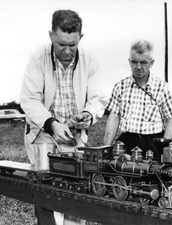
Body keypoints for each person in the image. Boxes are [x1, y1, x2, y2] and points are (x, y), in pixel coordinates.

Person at [20, 9, 107, 225]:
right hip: (43, 137)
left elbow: (99, 98)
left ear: (81, 38)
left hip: (75, 139)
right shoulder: (37, 59)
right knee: (46, 194)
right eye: (61, 44)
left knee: (77, 194)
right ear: (51, 35)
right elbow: (29, 100)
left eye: (73, 45)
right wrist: (52, 125)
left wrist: (88, 115)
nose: (67, 50)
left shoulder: (91, 61)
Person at [104, 39, 172, 158]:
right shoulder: (120, 87)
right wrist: (106, 148)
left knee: (153, 174)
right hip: (126, 142)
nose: (138, 67)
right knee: (121, 173)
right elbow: (113, 117)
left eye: (143, 62)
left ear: (151, 63)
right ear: (129, 62)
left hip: (152, 144)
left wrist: (164, 147)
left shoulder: (162, 88)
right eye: (134, 62)